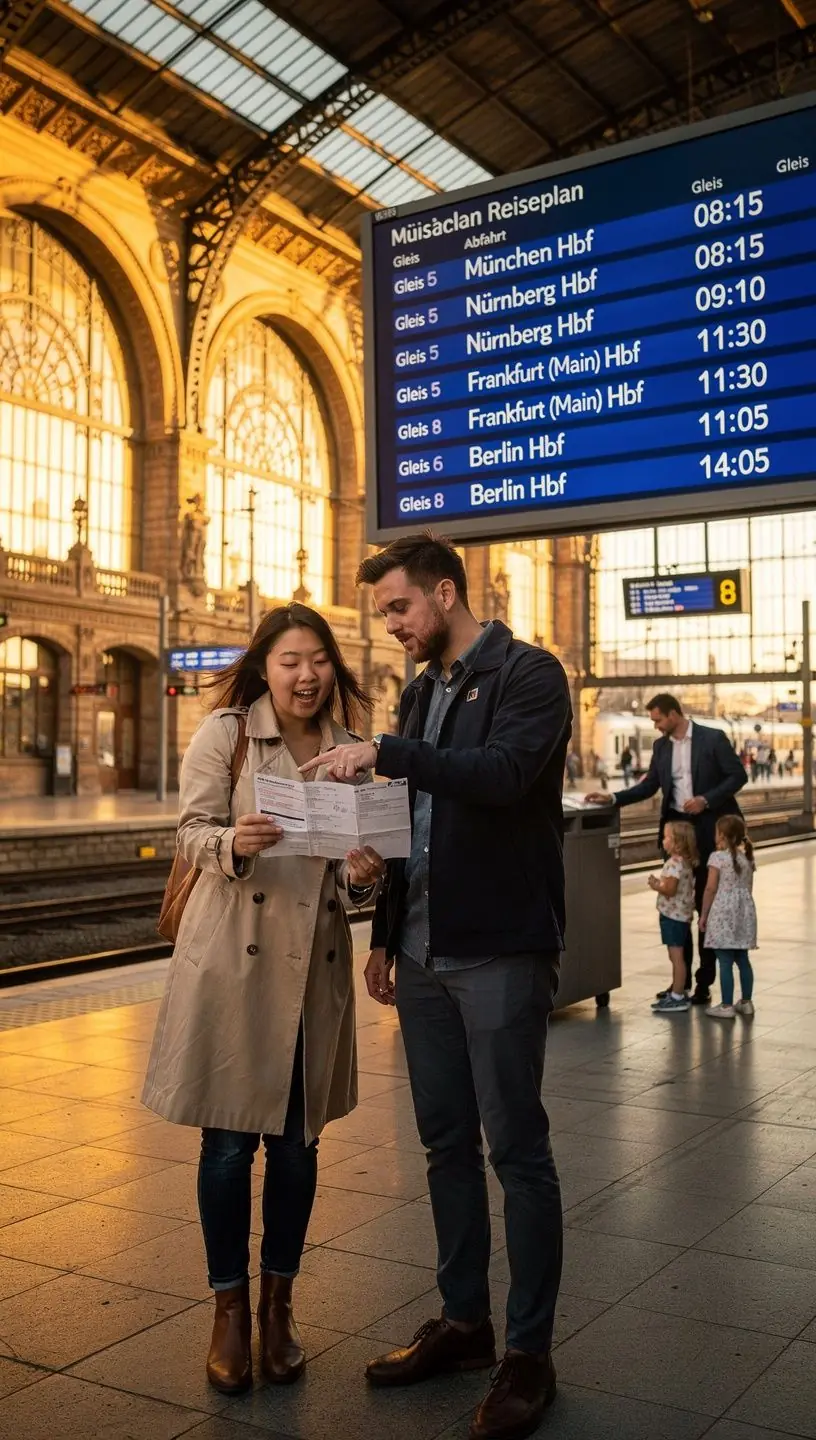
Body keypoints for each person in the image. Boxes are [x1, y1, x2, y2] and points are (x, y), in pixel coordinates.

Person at [300, 532, 572, 1440]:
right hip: (420, 956)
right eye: (384, 614)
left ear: (446, 593)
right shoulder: (417, 691)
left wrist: (385, 751)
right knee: (445, 1146)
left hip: (498, 951)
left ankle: (528, 1356)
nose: (392, 628)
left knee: (517, 1153)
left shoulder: (531, 675)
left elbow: (499, 778)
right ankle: (465, 1322)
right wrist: (381, 923)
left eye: (400, 609)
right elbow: (409, 820)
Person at [142, 604, 384, 1396]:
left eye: (317, 660)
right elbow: (189, 830)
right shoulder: (228, 734)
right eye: (290, 661)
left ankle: (279, 1309)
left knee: (298, 1146)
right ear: (265, 666)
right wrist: (229, 843)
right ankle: (228, 1313)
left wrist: (362, 873)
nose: (306, 675)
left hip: (310, 966)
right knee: (225, 1148)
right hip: (233, 967)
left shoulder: (353, 751)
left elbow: (357, 866)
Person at [587, 694, 747, 1004]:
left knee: (705, 905)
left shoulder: (712, 739)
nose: (656, 725)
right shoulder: (661, 747)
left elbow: (738, 775)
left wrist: (706, 799)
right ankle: (681, 984)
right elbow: (650, 786)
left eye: (658, 719)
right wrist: (614, 798)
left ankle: (704, 982)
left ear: (674, 714)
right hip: (680, 835)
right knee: (679, 910)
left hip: (709, 828)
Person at [700, 815, 758, 1020]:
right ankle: (746, 1002)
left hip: (724, 912)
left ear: (722, 836)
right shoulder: (747, 857)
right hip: (744, 912)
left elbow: (710, 888)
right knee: (742, 959)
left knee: (724, 960)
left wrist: (704, 914)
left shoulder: (717, 858)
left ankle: (726, 1006)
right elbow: (748, 888)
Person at [648, 820, 698, 1015]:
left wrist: (655, 885)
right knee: (677, 956)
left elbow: (669, 889)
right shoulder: (684, 862)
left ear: (677, 843)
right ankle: (679, 991)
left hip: (672, 916)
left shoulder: (673, 864)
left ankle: (677, 996)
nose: (663, 840)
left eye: (666, 837)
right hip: (682, 915)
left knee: (676, 957)